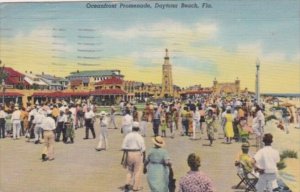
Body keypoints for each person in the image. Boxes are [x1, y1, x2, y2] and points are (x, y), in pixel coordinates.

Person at [121, 122, 145, 191]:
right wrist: (144, 158)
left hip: (129, 153)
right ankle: (135, 187)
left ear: (132, 128)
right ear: (138, 129)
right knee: (137, 171)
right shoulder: (140, 136)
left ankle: (127, 184)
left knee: (129, 170)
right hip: (137, 153)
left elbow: (123, 146)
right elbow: (143, 148)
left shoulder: (128, 136)